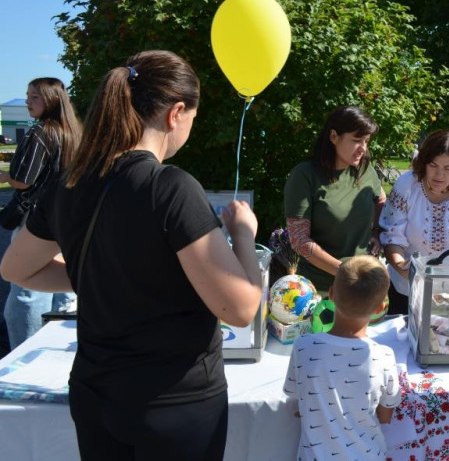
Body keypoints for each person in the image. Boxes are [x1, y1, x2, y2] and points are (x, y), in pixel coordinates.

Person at [0, 50, 263, 461]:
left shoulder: (70, 183)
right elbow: (241, 308)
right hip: (174, 403)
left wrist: (98, 273)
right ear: (176, 112)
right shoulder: (170, 188)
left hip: (95, 396)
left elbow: (16, 268)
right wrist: (244, 235)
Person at [283, 255, 402, 460]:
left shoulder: (303, 347)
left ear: (330, 294)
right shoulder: (384, 356)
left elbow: (296, 399)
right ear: (380, 308)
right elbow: (385, 416)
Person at [0, 77, 81, 349]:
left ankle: (24, 353)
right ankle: (57, 349)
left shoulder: (41, 132)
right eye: (27, 95)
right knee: (62, 287)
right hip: (69, 218)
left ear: (50, 99)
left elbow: (24, 180)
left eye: (33, 96)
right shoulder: (74, 132)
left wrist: (5, 176)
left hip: (37, 218)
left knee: (27, 290)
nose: (27, 101)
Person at [379, 129, 449, 314]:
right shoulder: (407, 185)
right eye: (433, 165)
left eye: (448, 168)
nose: (439, 175)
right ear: (423, 162)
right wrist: (401, 266)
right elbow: (392, 235)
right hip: (405, 288)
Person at [284, 106, 383, 293]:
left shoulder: (364, 169)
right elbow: (299, 239)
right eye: (356, 140)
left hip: (364, 283)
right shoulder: (304, 175)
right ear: (333, 137)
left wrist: (376, 231)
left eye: (366, 141)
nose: (363, 148)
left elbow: (380, 199)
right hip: (318, 290)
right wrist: (345, 273)